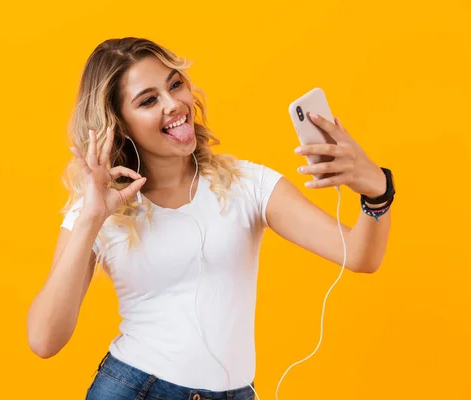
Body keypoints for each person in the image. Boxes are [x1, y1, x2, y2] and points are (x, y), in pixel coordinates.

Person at [26, 37, 394, 400]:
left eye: (175, 84)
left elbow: (361, 256)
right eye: (149, 100)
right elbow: (44, 340)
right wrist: (91, 218)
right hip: (135, 389)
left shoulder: (247, 184)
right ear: (119, 124)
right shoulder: (99, 207)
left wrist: (378, 190)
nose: (173, 104)